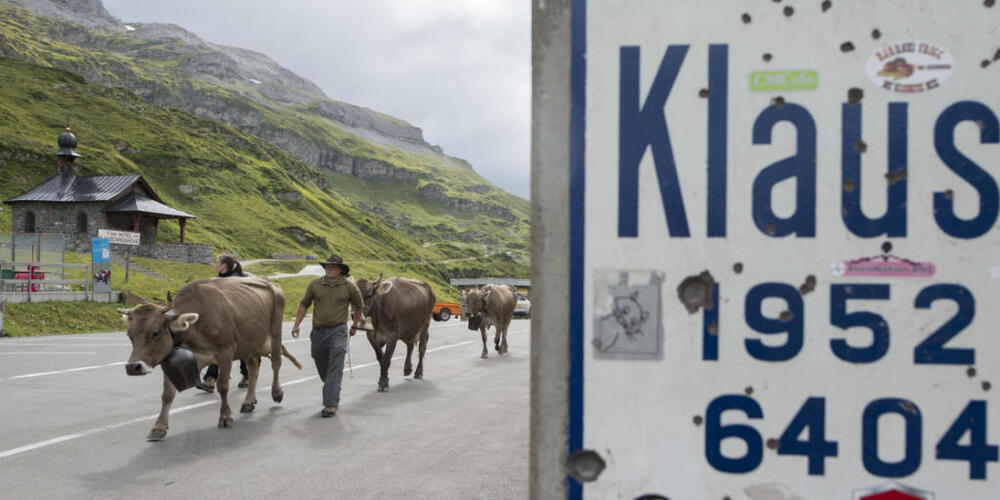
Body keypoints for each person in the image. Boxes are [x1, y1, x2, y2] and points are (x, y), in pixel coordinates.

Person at [291, 254, 363, 417]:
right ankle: (333, 384)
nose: (329, 269)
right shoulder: (315, 284)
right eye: (327, 266)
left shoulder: (349, 286)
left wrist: (355, 325)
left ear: (340, 270)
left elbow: (359, 305)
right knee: (319, 360)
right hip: (318, 332)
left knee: (335, 365)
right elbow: (304, 304)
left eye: (333, 267)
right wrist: (296, 325)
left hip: (338, 331)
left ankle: (330, 404)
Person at [198, 254, 252, 393]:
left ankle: (247, 375)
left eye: (218, 263)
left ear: (225, 265)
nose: (216, 265)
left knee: (242, 349)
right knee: (219, 348)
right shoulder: (217, 280)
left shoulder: (237, 280)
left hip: (240, 319)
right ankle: (211, 379)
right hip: (222, 320)